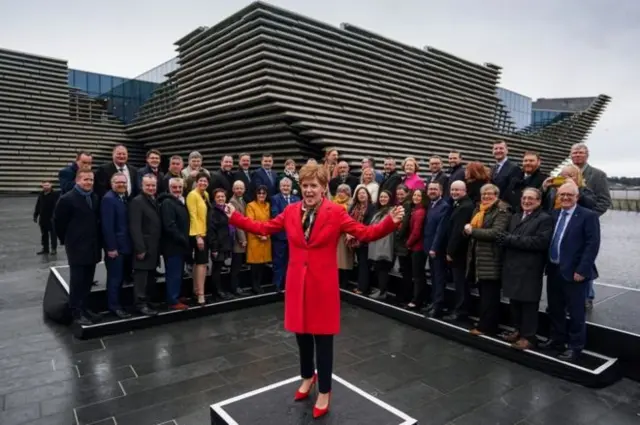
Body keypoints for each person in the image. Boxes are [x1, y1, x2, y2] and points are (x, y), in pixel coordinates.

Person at [224, 163, 404, 419]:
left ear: (323, 188)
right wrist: (235, 217)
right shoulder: (290, 211)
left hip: (323, 286)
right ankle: (308, 377)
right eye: (305, 186)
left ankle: (325, 390)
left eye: (314, 186)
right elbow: (264, 228)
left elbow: (365, 233)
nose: (308, 190)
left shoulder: (336, 212)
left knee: (323, 340)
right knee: (302, 336)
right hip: (297, 284)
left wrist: (390, 222)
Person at [541, 182, 600, 361]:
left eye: (570, 195)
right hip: (554, 269)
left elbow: (592, 245)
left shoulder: (588, 216)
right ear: (558, 196)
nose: (565, 198)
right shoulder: (554, 213)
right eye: (562, 195)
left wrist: (582, 270)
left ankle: (575, 347)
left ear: (577, 197)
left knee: (576, 313)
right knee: (555, 308)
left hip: (575, 272)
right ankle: (557, 339)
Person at [497, 188, 552, 350]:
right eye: (524, 198)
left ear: (539, 201)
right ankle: (518, 330)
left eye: (531, 199)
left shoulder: (544, 219)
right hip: (513, 266)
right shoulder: (515, 216)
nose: (527, 201)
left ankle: (529, 337)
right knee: (515, 301)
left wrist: (511, 240)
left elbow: (540, 242)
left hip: (530, 268)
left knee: (528, 304)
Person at [53, 169, 101, 325]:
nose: (89, 182)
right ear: (77, 181)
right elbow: (58, 223)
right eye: (86, 179)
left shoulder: (94, 197)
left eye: (91, 180)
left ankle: (85, 308)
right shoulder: (67, 199)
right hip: (76, 247)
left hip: (92, 246)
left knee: (88, 281)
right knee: (77, 281)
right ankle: (76, 312)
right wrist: (68, 240)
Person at [464, 183, 511, 336]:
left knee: (490, 296)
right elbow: (471, 229)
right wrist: (467, 231)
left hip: (492, 259)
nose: (486, 197)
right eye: (484, 194)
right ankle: (484, 323)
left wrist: (473, 231)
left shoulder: (502, 210)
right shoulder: (479, 209)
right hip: (479, 259)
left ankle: (487, 327)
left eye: (489, 194)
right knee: (484, 294)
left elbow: (496, 233)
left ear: (496, 195)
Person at [100, 173, 132, 319]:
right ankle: (114, 306)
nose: (122, 185)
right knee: (115, 279)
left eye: (124, 183)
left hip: (125, 246)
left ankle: (118, 303)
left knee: (120, 278)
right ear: (112, 183)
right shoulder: (108, 199)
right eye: (118, 182)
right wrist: (111, 248)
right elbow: (107, 227)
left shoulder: (123, 198)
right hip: (115, 249)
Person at [129, 174, 162, 316]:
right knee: (141, 278)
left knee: (149, 277)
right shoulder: (137, 202)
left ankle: (147, 301)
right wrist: (140, 248)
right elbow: (135, 227)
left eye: (153, 185)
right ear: (142, 186)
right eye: (148, 185)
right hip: (143, 248)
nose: (151, 188)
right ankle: (140, 304)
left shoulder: (154, 199)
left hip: (154, 247)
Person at [443, 181, 474, 321]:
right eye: (452, 190)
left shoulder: (465, 207)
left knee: (460, 283)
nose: (454, 192)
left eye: (457, 190)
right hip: (458, 251)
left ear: (465, 190)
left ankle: (461, 311)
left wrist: (450, 252)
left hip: (459, 253)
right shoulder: (459, 204)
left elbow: (457, 232)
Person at [159, 177, 191, 310]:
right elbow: (169, 225)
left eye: (180, 187)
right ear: (169, 188)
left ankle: (176, 295)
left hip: (180, 245)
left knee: (178, 273)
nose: (177, 190)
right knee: (173, 274)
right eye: (174, 188)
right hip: (173, 245)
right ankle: (172, 300)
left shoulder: (179, 202)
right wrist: (182, 238)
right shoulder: (167, 203)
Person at [422, 182, 450, 317]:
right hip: (429, 247)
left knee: (439, 278)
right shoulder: (431, 205)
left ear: (441, 191)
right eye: (430, 189)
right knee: (433, 277)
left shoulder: (444, 207)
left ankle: (438, 305)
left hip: (437, 249)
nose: (432, 191)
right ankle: (434, 302)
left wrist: (434, 248)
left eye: (435, 189)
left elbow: (441, 230)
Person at [270, 178, 300, 291]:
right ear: (280, 187)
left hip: (294, 237)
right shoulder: (275, 199)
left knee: (292, 262)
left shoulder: (297, 199)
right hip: (280, 236)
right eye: (283, 186)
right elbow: (275, 214)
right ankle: (278, 284)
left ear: (291, 187)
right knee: (279, 261)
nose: (286, 188)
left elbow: (300, 215)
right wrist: (291, 221)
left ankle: (289, 283)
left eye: (288, 186)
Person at [186, 172, 211, 305]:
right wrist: (198, 236)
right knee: (202, 264)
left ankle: (196, 290)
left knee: (199, 264)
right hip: (198, 234)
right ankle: (201, 294)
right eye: (201, 181)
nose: (203, 183)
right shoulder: (192, 195)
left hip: (205, 233)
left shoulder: (205, 195)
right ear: (196, 181)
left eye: (205, 181)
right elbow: (193, 216)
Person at [367, 190, 395, 300]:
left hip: (385, 244)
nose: (383, 199)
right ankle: (380, 289)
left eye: (385, 197)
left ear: (390, 199)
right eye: (381, 197)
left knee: (383, 268)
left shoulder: (391, 210)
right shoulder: (380, 210)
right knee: (378, 268)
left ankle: (383, 292)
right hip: (376, 243)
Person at [208, 188, 234, 300]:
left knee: (220, 268)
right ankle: (216, 291)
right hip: (217, 245)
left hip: (225, 243)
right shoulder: (213, 212)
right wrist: (214, 248)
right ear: (214, 198)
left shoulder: (226, 209)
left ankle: (220, 290)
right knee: (216, 270)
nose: (221, 198)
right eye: (218, 197)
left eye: (222, 196)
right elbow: (211, 231)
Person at [245, 185, 272, 294]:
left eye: (263, 193)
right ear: (256, 194)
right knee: (255, 264)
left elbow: (271, 221)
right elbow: (250, 223)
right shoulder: (250, 206)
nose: (261, 195)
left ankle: (259, 284)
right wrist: (260, 235)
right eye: (259, 193)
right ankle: (254, 285)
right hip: (255, 238)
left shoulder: (268, 205)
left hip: (266, 237)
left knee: (262, 264)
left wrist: (267, 235)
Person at [405, 189, 427, 310]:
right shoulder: (416, 210)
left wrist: (408, 243)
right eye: (415, 195)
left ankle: (417, 300)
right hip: (416, 246)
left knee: (418, 275)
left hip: (418, 247)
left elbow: (416, 232)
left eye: (419, 195)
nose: (416, 197)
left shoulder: (420, 212)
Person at [229, 181, 248, 295]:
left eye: (241, 188)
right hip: (238, 240)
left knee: (239, 264)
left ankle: (237, 286)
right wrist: (242, 239)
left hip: (242, 237)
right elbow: (236, 222)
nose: (239, 190)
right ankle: (234, 288)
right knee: (236, 265)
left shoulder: (242, 200)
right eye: (237, 188)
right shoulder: (233, 202)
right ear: (233, 189)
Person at [33, 180, 59, 255]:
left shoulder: (55, 195)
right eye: (44, 185)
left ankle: (54, 249)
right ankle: (45, 249)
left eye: (47, 185)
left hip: (51, 218)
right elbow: (38, 205)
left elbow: (57, 206)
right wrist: (35, 215)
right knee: (44, 235)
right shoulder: (41, 194)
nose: (46, 187)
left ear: (51, 185)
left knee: (53, 235)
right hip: (43, 218)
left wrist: (55, 216)